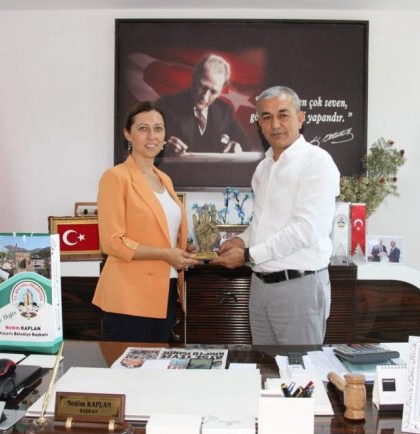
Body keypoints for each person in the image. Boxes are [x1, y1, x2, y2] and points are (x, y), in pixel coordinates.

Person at [211, 85, 340, 345]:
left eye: (283, 115)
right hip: (260, 285)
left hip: (299, 286)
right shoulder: (263, 168)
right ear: (259, 123)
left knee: (299, 369)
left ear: (300, 118)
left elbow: (306, 229)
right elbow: (262, 222)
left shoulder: (317, 162)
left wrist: (248, 255)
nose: (275, 124)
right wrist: (241, 240)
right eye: (266, 117)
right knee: (265, 366)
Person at [92, 101, 200, 342]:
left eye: (158, 128)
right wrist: (166, 254)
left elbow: (162, 233)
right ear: (127, 134)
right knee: (130, 366)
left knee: (157, 364)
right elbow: (112, 242)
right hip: (129, 295)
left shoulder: (164, 179)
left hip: (165, 290)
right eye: (143, 128)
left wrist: (182, 250)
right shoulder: (115, 177)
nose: (152, 136)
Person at [156, 54, 248, 155]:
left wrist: (237, 145)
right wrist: (165, 147)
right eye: (202, 87)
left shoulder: (223, 110)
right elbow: (146, 142)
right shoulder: (165, 105)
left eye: (213, 91)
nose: (205, 97)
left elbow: (245, 143)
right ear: (194, 78)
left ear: (222, 89)